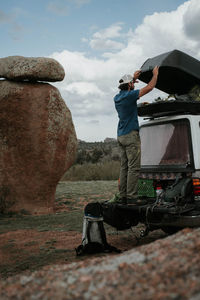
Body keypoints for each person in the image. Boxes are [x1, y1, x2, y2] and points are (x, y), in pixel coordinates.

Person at [113, 66, 159, 205]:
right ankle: (132, 197)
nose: (134, 85)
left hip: (121, 136)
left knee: (124, 167)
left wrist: (133, 78)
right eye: (132, 84)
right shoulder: (130, 95)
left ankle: (123, 196)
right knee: (134, 168)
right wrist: (155, 74)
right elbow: (150, 87)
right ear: (129, 86)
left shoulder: (117, 97)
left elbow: (128, 89)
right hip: (131, 136)